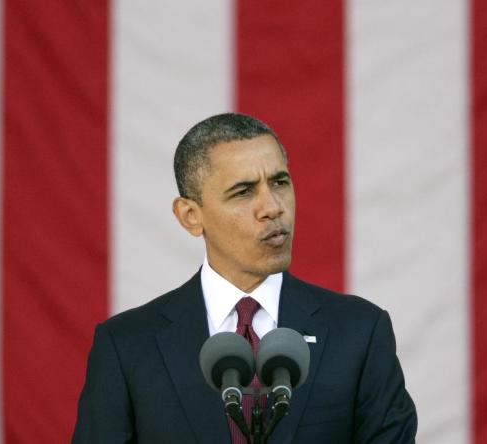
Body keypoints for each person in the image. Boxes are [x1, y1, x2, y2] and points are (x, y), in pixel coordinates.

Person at [72, 113, 417, 443]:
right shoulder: (127, 346)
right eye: (243, 191)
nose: (272, 207)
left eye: (280, 182)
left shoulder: (360, 332)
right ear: (190, 216)